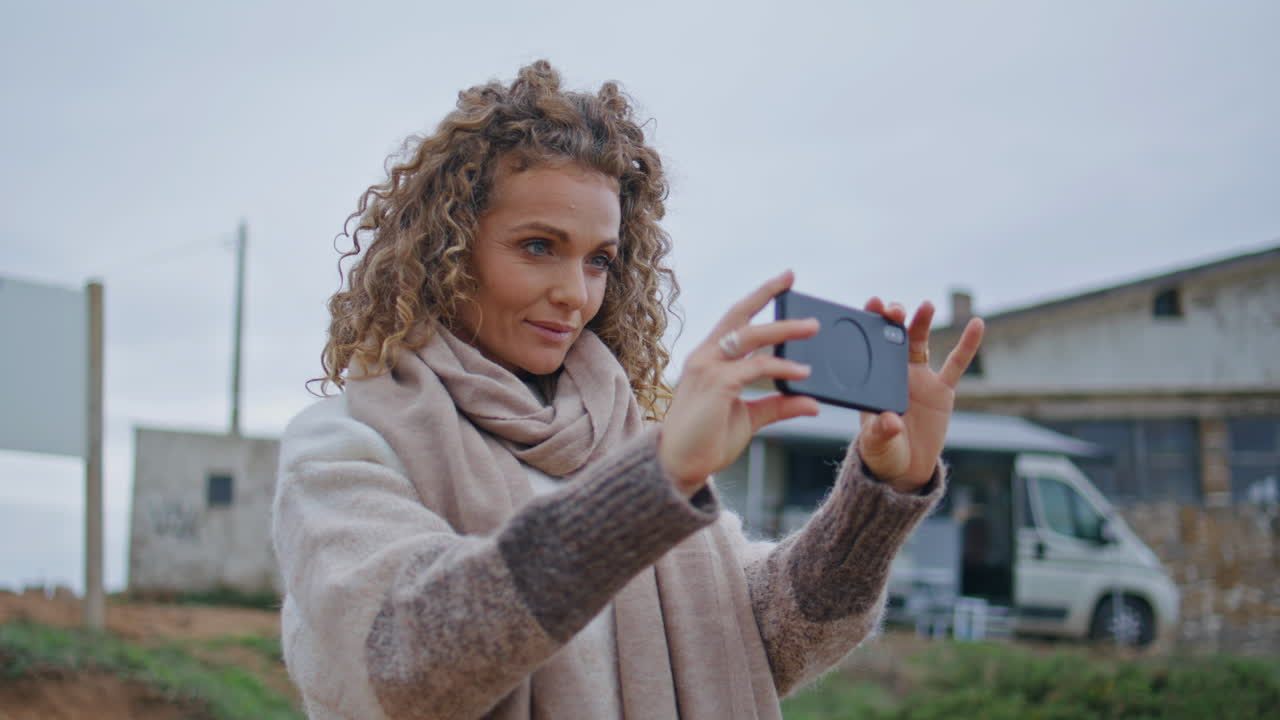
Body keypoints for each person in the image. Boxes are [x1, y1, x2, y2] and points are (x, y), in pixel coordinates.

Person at [272, 60, 984, 720]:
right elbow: (405, 659)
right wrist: (654, 482)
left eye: (599, 260)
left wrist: (882, 494)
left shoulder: (625, 437)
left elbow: (773, 633)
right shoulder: (345, 444)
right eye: (538, 247)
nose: (573, 294)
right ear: (447, 248)